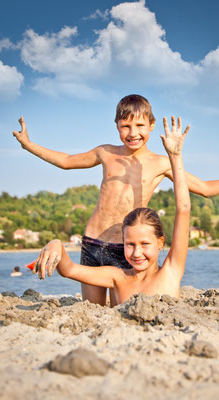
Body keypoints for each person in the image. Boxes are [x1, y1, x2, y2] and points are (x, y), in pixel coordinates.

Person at [13, 94, 219, 305]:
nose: (132, 132)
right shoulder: (105, 153)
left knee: (122, 311)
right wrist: (29, 145)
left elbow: (205, 188)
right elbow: (67, 161)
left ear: (151, 125)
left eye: (139, 126)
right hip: (93, 242)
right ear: (116, 125)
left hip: (127, 248)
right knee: (91, 311)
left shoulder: (161, 162)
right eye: (125, 126)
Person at [33, 115, 190, 305]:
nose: (137, 253)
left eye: (145, 244)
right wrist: (57, 244)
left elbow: (183, 208)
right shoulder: (118, 277)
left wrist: (175, 157)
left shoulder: (171, 271)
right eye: (130, 244)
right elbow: (69, 270)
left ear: (160, 242)